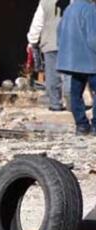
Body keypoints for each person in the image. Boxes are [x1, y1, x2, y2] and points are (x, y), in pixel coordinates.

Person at [58, 0, 96, 135]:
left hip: (74, 61)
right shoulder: (89, 9)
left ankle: (81, 125)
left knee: (75, 94)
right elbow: (93, 38)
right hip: (91, 61)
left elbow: (59, 32)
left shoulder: (69, 9)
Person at [27, 0, 71, 111]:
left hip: (50, 43)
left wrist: (32, 41)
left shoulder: (44, 2)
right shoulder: (74, 2)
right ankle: (72, 103)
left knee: (52, 75)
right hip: (69, 43)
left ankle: (55, 104)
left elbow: (37, 24)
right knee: (69, 74)